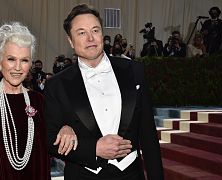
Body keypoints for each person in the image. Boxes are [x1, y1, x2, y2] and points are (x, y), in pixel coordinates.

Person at [44, 4, 163, 180]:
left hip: (132, 175)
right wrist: (94, 149)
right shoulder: (56, 84)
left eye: (95, 30)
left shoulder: (134, 71)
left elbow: (148, 135)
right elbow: (50, 141)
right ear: (70, 40)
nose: (90, 38)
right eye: (81, 33)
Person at [0, 22, 76, 180]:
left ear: (30, 64)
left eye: (24, 60)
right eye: (11, 59)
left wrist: (66, 127)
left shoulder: (38, 100)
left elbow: (53, 142)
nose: (18, 67)